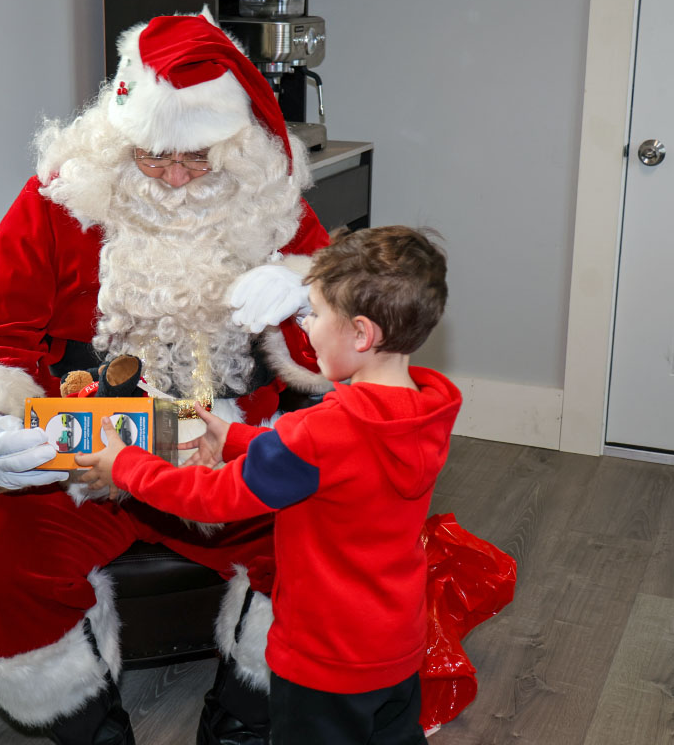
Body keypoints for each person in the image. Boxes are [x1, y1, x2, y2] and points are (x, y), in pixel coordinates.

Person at [0, 8, 332, 745]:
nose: (173, 175)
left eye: (197, 158)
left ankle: (242, 717)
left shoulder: (272, 205)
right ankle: (88, 728)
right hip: (88, 458)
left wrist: (308, 296)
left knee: (330, 547)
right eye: (151, 155)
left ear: (235, 145)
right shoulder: (59, 200)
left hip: (227, 459)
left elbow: (344, 353)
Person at [77, 225, 460, 745]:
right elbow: (338, 466)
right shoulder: (426, 408)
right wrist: (236, 438)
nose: (306, 327)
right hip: (394, 644)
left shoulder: (321, 433)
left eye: (313, 314)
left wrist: (126, 464)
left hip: (324, 659)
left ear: (361, 334)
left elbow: (212, 499)